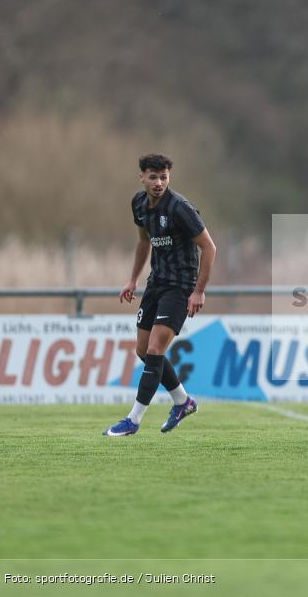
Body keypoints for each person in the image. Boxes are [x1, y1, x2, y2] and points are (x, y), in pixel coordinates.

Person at [103, 154, 217, 436]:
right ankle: (183, 401)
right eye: (153, 177)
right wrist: (132, 279)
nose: (159, 183)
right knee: (143, 351)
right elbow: (144, 242)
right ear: (141, 176)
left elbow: (210, 248)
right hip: (156, 284)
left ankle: (133, 420)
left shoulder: (179, 208)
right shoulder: (139, 204)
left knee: (155, 350)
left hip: (180, 286)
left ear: (169, 177)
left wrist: (199, 291)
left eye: (164, 177)